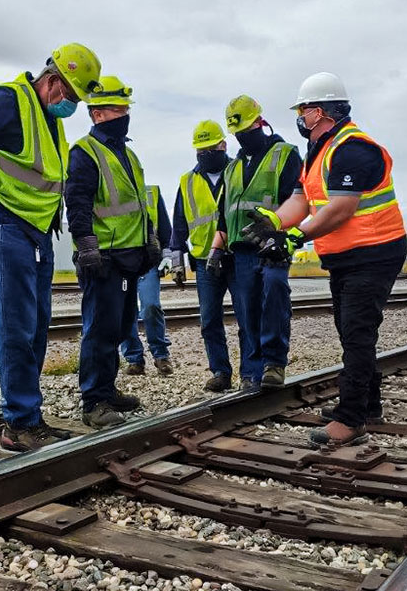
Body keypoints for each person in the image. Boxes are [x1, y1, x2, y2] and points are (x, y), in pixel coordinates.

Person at [0, 43, 102, 451]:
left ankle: (28, 414)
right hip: (6, 223)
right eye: (72, 97)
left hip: (35, 231)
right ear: (54, 82)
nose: (72, 106)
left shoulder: (47, 118)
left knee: (36, 322)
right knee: (16, 325)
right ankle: (20, 420)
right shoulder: (8, 101)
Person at [241, 72, 407, 445]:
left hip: (374, 253)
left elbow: (340, 209)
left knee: (357, 334)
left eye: (302, 110)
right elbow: (303, 198)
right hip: (348, 257)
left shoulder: (353, 149)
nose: (300, 118)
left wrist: (295, 237)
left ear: (318, 112)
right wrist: (275, 221)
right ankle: (368, 405)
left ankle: (351, 420)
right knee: (353, 332)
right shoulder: (320, 150)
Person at [65, 75, 159, 428]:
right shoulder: (85, 153)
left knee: (119, 327)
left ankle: (107, 389)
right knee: (100, 329)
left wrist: (149, 238)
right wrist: (87, 246)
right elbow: (77, 202)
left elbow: (139, 204)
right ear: (97, 114)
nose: (124, 114)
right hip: (105, 259)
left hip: (129, 260)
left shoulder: (128, 154)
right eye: (117, 108)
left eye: (125, 108)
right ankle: (94, 401)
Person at [210, 95, 301, 390]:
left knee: (274, 294)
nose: (241, 136)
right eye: (237, 132)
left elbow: (297, 201)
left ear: (260, 122)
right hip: (241, 250)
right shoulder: (231, 168)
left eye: (246, 129)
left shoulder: (286, 154)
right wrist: (216, 248)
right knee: (247, 310)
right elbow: (224, 216)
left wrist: (283, 235)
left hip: (273, 244)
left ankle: (274, 363)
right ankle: (251, 373)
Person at [170, 120, 248, 392]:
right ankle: (220, 372)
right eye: (199, 150)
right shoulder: (187, 181)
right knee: (210, 319)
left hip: (236, 256)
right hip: (204, 260)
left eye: (209, 148)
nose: (204, 154)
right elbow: (179, 221)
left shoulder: (238, 171)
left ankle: (250, 372)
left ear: (222, 145)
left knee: (246, 315)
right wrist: (176, 260)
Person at [120, 184, 175, 376]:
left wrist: (167, 253)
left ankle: (161, 356)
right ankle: (134, 358)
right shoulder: (114, 192)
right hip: (122, 259)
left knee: (151, 306)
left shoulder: (152, 192)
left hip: (149, 258)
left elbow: (165, 227)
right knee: (126, 311)